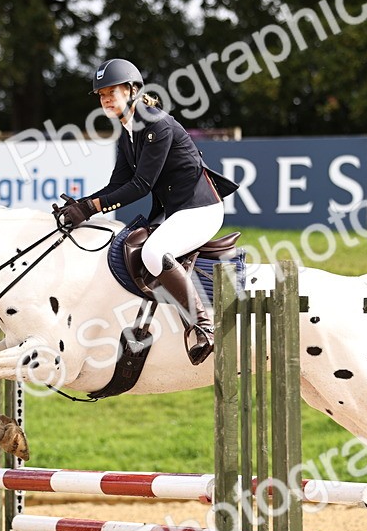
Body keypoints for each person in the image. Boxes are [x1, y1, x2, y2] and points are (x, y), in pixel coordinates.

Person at [53, 58, 238, 365]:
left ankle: (203, 327)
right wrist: (82, 205)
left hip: (200, 209)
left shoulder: (156, 124)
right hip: (175, 210)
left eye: (112, 91)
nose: (106, 99)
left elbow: (141, 185)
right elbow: (117, 184)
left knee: (154, 253)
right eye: (101, 94)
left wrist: (90, 208)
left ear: (132, 90)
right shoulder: (127, 131)